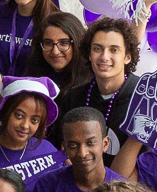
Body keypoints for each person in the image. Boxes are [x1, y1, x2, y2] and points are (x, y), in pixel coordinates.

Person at [57, 16, 142, 171]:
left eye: (114, 50)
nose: (104, 57)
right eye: (97, 48)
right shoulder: (74, 97)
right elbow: (63, 148)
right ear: (89, 55)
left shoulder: (144, 99)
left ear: (127, 57)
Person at [31, 108, 119, 192]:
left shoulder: (121, 190)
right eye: (73, 145)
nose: (82, 153)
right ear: (64, 148)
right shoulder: (47, 186)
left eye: (90, 143)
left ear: (105, 144)